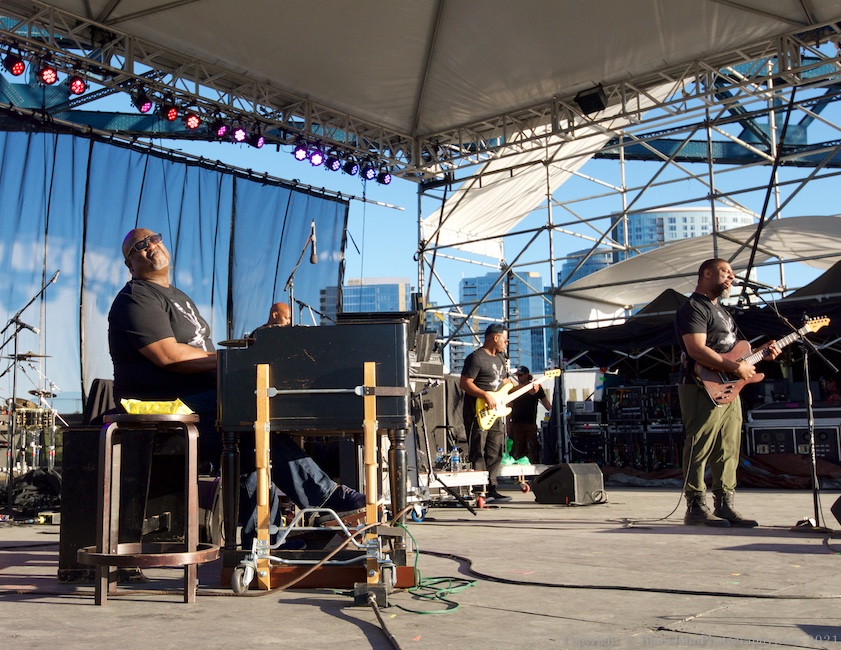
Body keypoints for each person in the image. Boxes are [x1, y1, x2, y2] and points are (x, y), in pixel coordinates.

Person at [107, 228, 365, 520]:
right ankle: (324, 498)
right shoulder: (136, 298)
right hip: (158, 402)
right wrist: (235, 359)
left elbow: (198, 354)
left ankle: (264, 539)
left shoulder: (176, 296)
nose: (151, 245)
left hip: (196, 397)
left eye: (155, 238)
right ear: (130, 264)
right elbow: (170, 357)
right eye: (140, 245)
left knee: (246, 428)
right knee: (245, 419)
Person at [675, 258, 779, 527]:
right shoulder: (693, 307)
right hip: (700, 385)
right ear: (707, 274)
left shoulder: (722, 311)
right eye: (726, 272)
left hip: (729, 388)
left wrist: (761, 354)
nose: (732, 278)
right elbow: (697, 350)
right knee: (699, 444)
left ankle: (724, 504)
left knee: (728, 447)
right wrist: (736, 366)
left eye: (733, 274)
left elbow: (735, 354)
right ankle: (696, 506)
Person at [460, 323, 514, 503]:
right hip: (478, 410)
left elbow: (504, 381)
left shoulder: (500, 358)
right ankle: (478, 489)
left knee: (495, 449)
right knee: (478, 449)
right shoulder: (476, 358)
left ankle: (492, 488)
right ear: (495, 338)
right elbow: (465, 383)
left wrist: (525, 387)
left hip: (496, 412)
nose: (506, 343)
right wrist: (485, 395)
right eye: (505, 340)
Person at [508, 365, 551, 463]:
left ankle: (532, 467)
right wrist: (507, 424)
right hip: (516, 423)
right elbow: (509, 406)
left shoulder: (536, 388)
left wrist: (554, 413)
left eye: (521, 375)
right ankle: (518, 470)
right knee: (517, 449)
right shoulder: (513, 390)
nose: (519, 377)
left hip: (530, 423)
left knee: (532, 448)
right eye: (518, 375)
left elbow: (546, 402)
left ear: (527, 375)